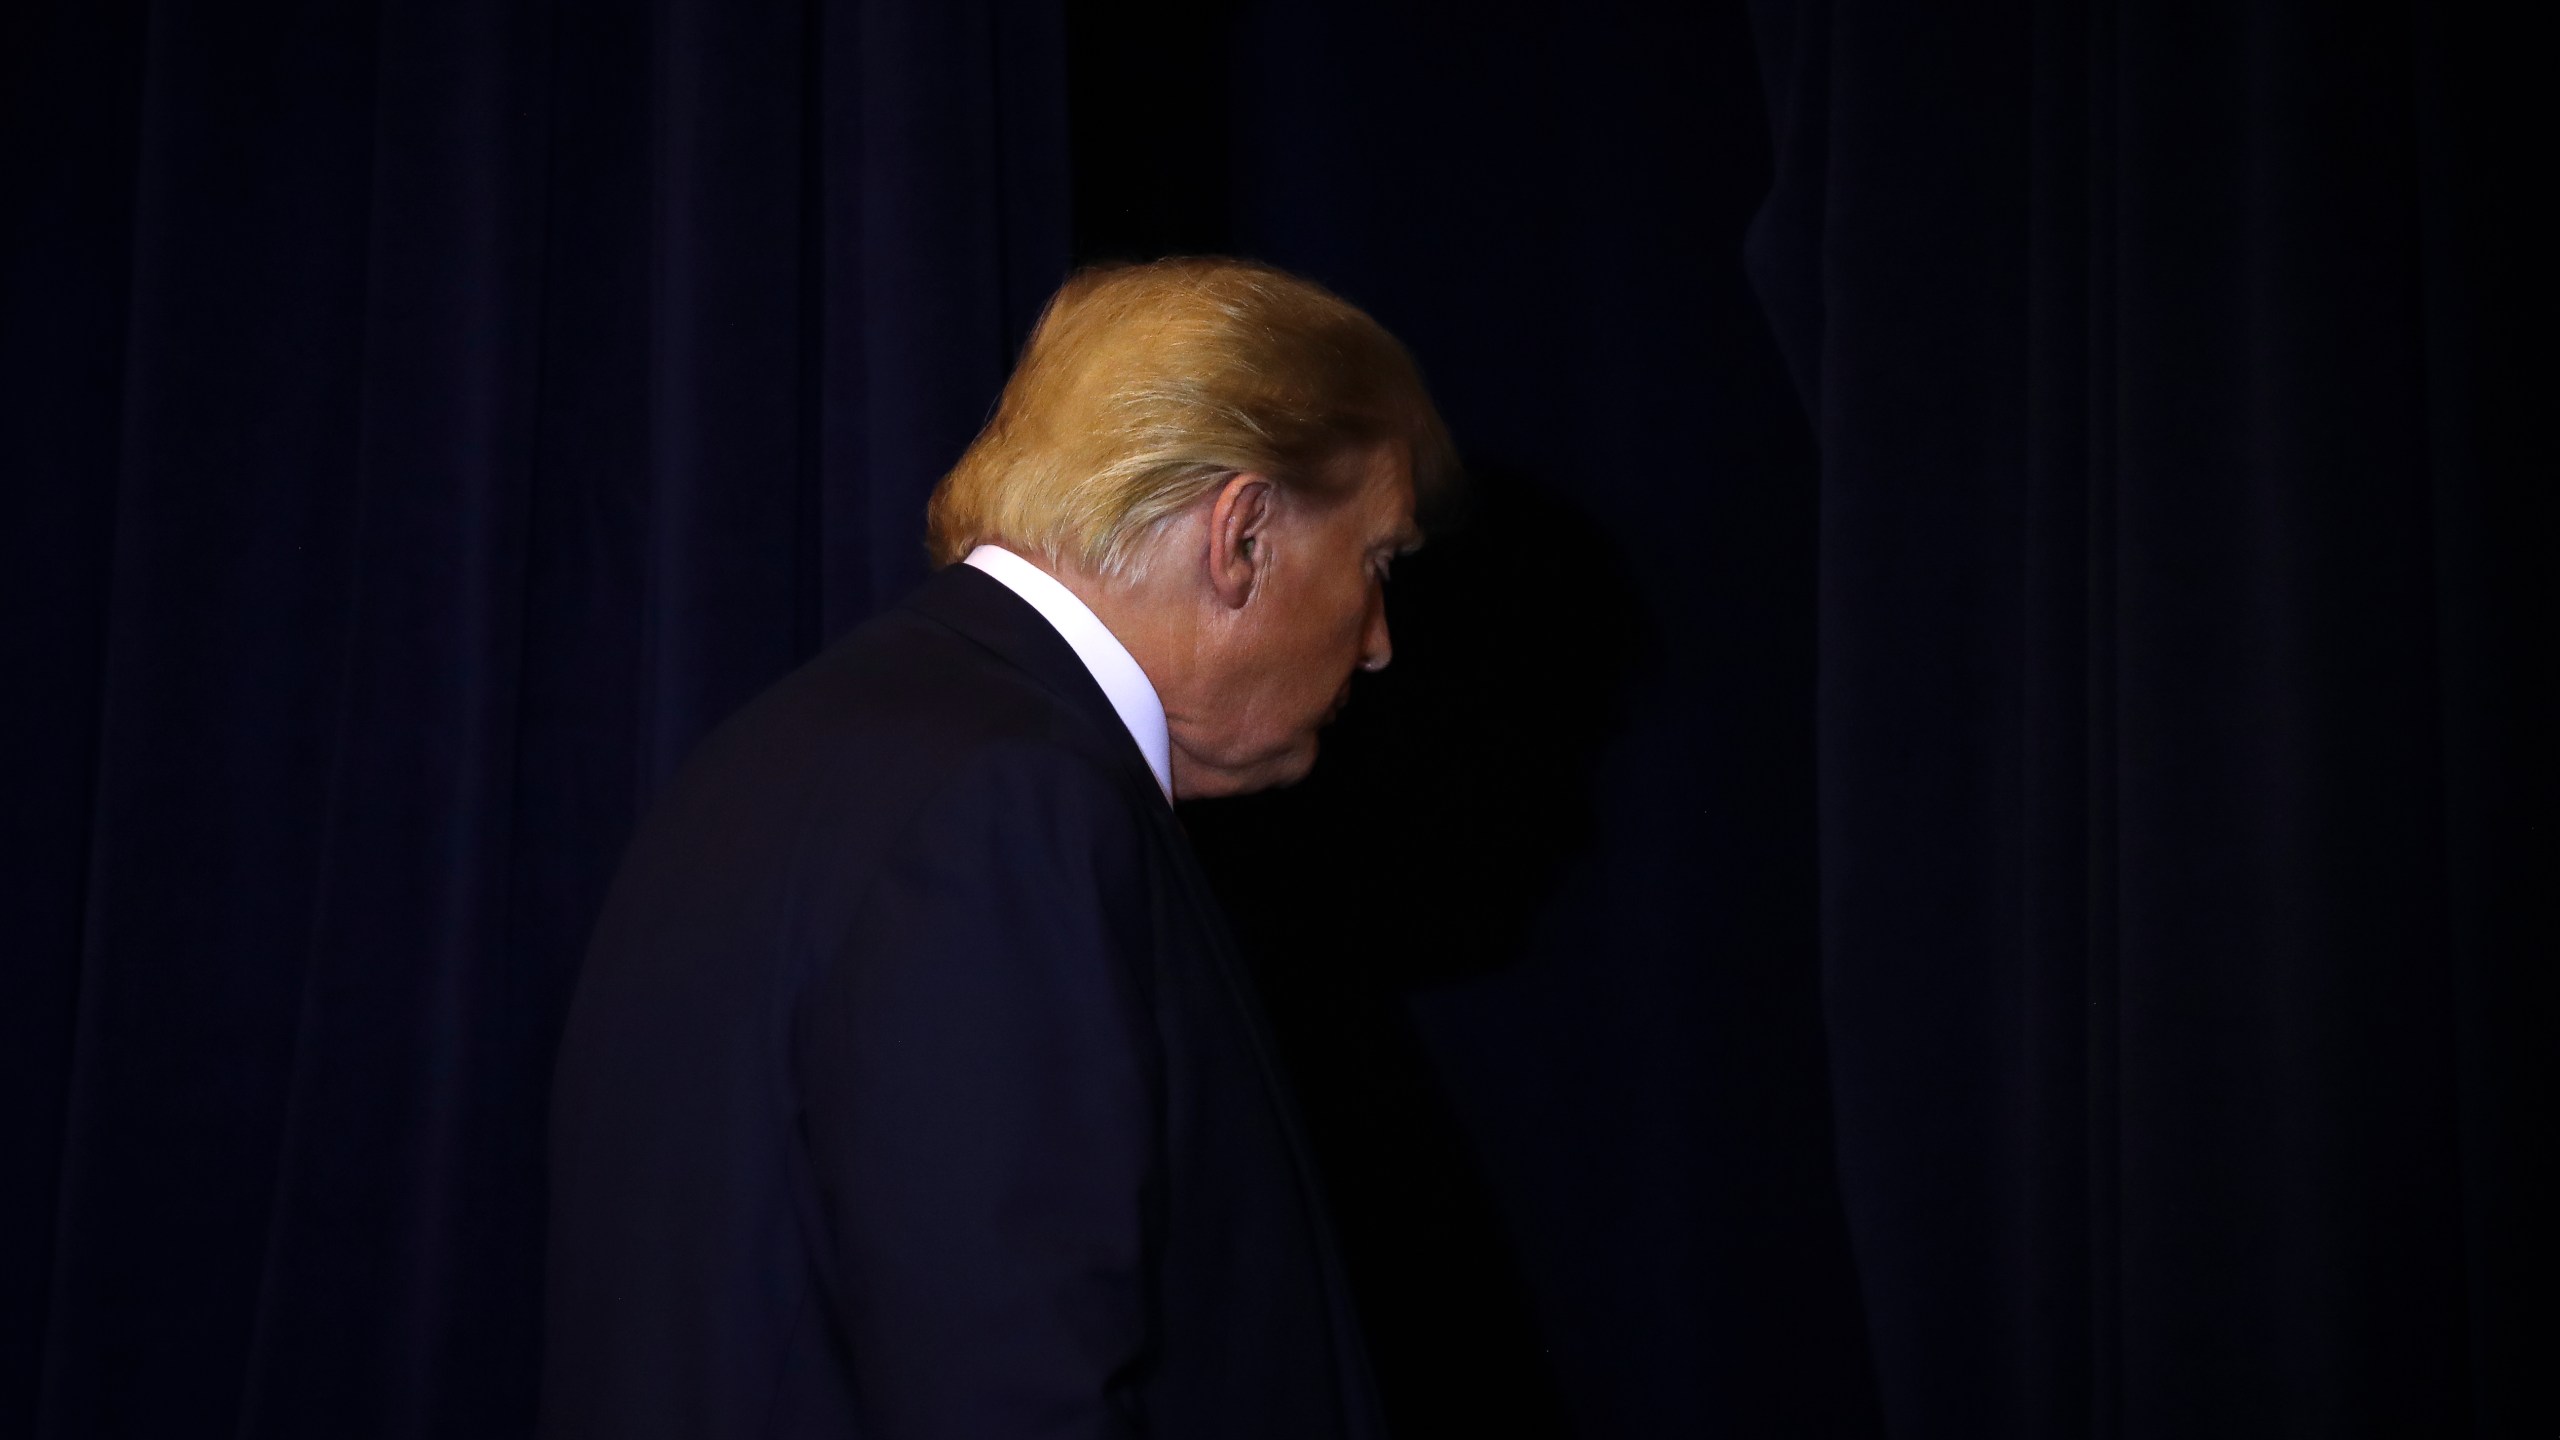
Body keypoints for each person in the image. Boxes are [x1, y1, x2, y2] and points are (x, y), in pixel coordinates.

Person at [539, 257, 1457, 1439]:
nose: (1379, 641)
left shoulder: (794, 753)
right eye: (1377, 562)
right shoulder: (1009, 802)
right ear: (1242, 535)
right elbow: (1011, 1389)